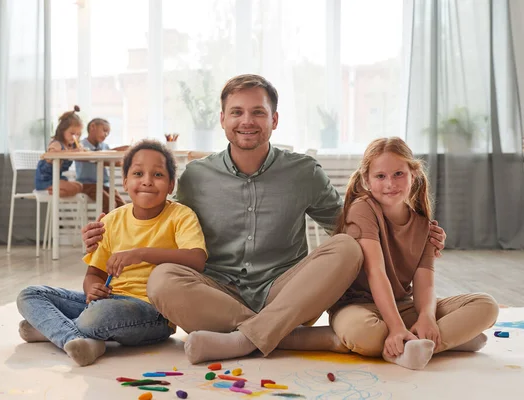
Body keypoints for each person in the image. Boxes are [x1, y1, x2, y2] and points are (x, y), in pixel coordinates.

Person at [81, 74, 447, 364]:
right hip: (216, 295)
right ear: (222, 119)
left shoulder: (303, 172)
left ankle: (243, 339)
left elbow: (353, 226)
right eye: (237, 112)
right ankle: (287, 337)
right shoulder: (196, 176)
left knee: (346, 248)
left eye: (257, 112)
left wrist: (413, 236)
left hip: (284, 292)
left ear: (274, 119)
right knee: (162, 280)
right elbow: (162, 222)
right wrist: (108, 232)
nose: (247, 121)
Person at [17, 140, 207, 366]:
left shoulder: (181, 216)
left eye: (157, 175)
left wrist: (141, 254)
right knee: (30, 295)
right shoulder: (112, 220)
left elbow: (197, 259)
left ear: (171, 185)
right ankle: (77, 338)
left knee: (97, 316)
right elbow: (93, 274)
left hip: (152, 313)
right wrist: (91, 289)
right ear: (125, 182)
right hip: (107, 301)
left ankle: (51, 327)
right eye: (138, 173)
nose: (147, 181)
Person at [320, 137, 497, 370]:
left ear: (413, 174)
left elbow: (425, 284)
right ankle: (442, 341)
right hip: (357, 307)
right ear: (366, 180)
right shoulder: (363, 208)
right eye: (380, 176)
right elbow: (376, 272)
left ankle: (413, 343)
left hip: (402, 306)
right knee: (365, 335)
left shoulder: (424, 226)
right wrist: (394, 327)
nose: (390, 183)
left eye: (398, 174)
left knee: (487, 305)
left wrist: (427, 317)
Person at [75, 118, 126, 213]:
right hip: (88, 184)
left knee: (122, 206)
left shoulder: (105, 146)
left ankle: (120, 227)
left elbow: (110, 161)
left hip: (104, 185)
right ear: (92, 127)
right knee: (109, 203)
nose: (106, 135)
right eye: (104, 130)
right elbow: (87, 156)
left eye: (108, 133)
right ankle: (106, 227)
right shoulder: (80, 145)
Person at [35, 106, 84, 197]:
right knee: (74, 188)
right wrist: (72, 152)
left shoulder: (71, 146)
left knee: (79, 186)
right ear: (62, 131)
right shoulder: (56, 144)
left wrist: (82, 151)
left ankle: (56, 193)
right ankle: (53, 191)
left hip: (58, 179)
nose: (75, 137)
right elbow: (51, 154)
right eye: (72, 133)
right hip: (46, 180)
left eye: (78, 134)